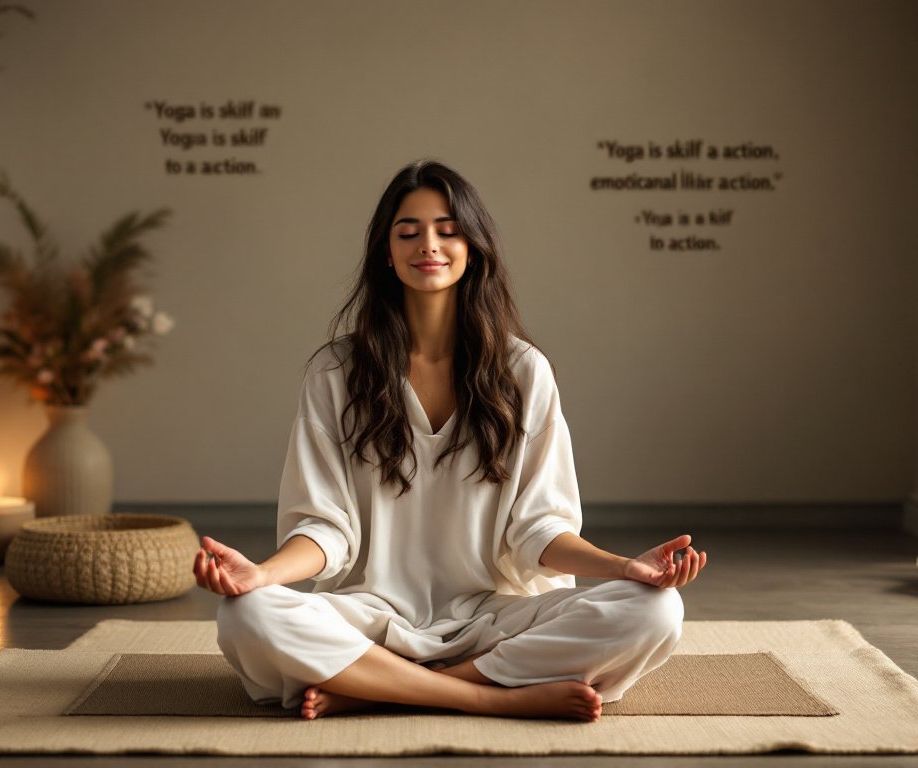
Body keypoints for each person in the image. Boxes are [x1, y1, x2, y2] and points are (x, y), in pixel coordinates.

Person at [193, 160, 706, 722]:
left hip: (498, 618)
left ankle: (374, 689)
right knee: (245, 615)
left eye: (448, 229)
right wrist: (261, 575)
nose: (428, 245)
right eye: (408, 232)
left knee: (656, 612)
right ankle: (485, 696)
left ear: (474, 246)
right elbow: (325, 527)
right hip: (371, 619)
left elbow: (540, 529)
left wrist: (625, 569)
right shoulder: (334, 373)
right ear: (386, 254)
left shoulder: (524, 371)